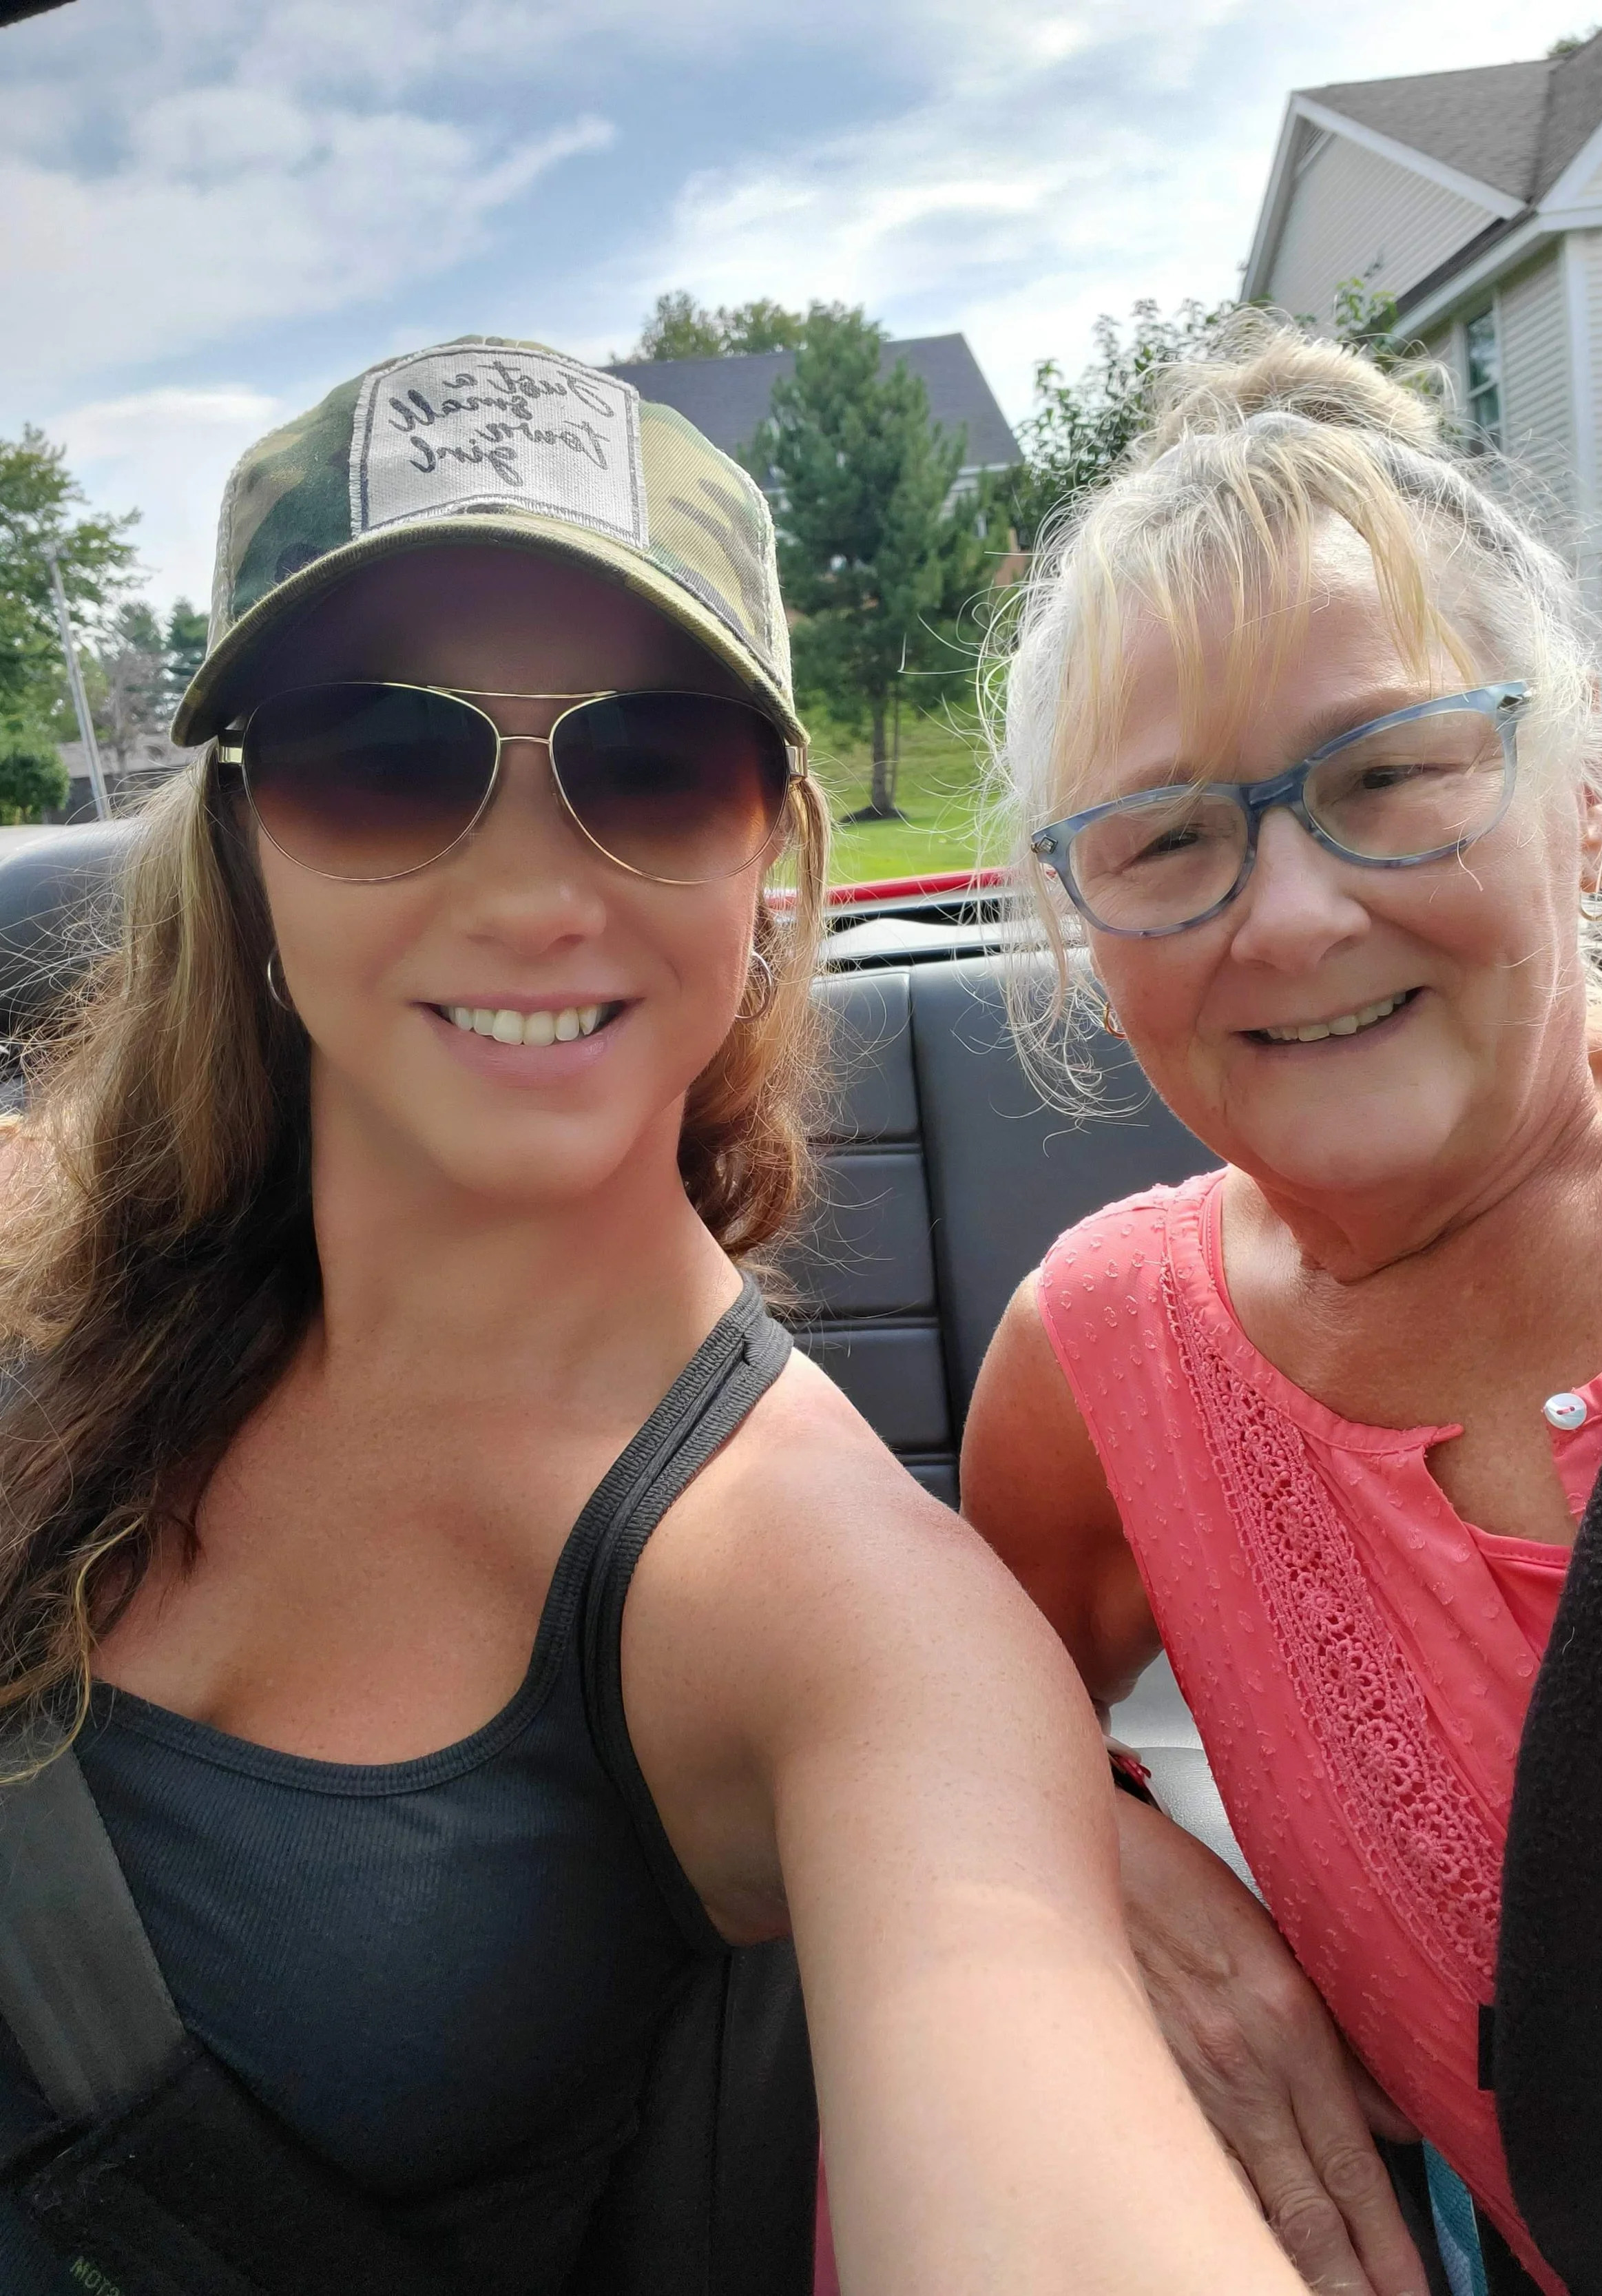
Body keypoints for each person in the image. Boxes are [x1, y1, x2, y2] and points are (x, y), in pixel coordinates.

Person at [0, 337, 1302, 2296]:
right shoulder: (68, 1260)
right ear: (246, 840)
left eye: (650, 757)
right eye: (385, 748)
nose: (531, 888)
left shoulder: (842, 1615)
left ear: (773, 848)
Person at [961, 321, 1602, 2296]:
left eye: (1388, 774)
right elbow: (943, 1747)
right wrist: (1103, 1861)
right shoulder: (1095, 1360)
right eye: (1169, 837)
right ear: (1078, 933)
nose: (1287, 913)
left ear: (1573, 796)